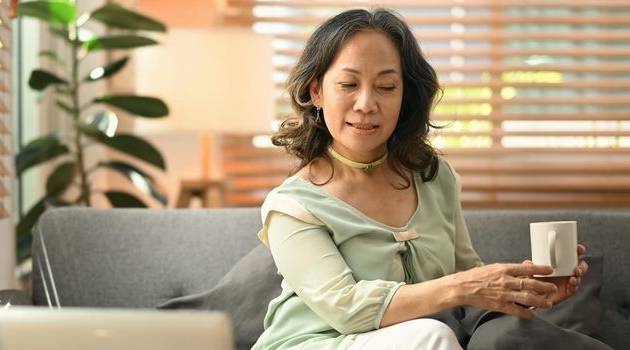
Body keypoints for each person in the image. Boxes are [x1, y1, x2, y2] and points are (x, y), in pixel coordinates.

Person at [251, 8, 607, 350]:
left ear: (405, 95)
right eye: (348, 84)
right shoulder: (293, 206)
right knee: (430, 337)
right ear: (316, 91)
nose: (366, 103)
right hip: (315, 344)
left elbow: (468, 277)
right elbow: (347, 308)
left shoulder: (434, 177)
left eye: (387, 87)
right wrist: (467, 285)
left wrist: (521, 287)